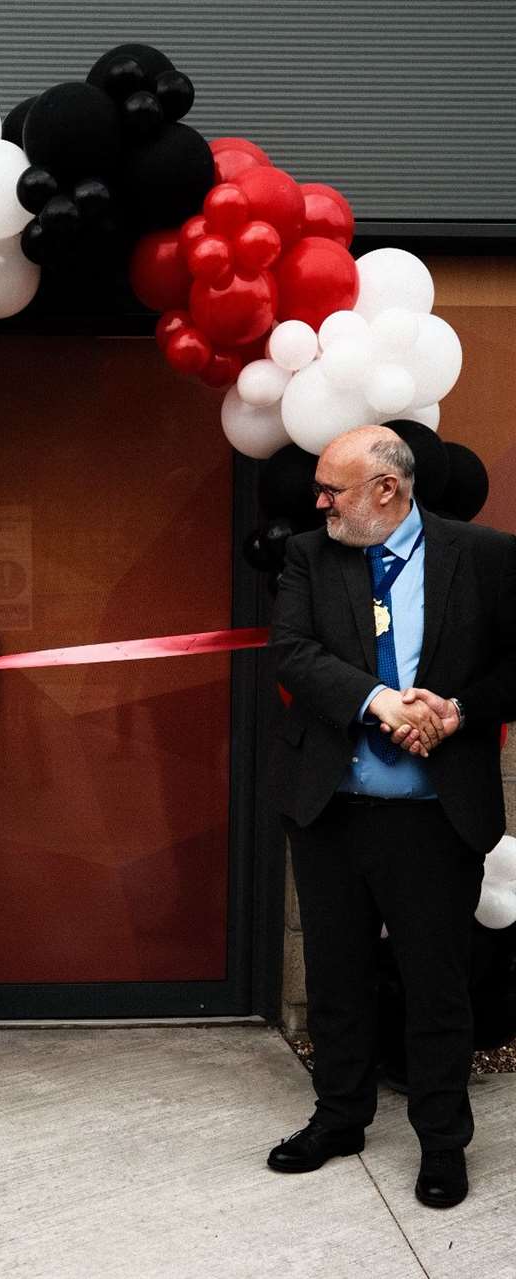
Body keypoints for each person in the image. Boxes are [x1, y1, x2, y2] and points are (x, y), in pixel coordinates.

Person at [266, 424, 516, 1208]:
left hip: (434, 818)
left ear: (387, 489)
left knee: (435, 985)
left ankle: (442, 1142)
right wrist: (380, 701)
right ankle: (340, 1116)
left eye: (332, 489)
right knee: (337, 978)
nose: (319, 501)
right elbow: (293, 651)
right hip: (332, 810)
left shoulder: (486, 556)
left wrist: (457, 710)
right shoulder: (312, 554)